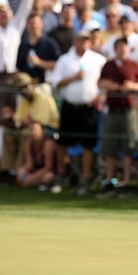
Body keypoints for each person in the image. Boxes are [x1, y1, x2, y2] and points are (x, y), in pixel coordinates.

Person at [50, 28, 107, 196]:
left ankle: (85, 178)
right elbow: (56, 83)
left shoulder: (98, 60)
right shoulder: (64, 60)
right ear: (75, 41)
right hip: (70, 106)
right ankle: (61, 175)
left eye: (86, 40)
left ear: (90, 42)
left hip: (88, 108)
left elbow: (105, 82)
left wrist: (101, 97)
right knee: (63, 142)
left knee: (87, 144)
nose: (82, 43)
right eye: (79, 40)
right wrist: (74, 78)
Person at [97, 37, 138, 198]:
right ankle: (109, 183)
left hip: (128, 111)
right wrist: (108, 86)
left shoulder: (134, 65)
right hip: (112, 111)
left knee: (128, 148)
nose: (122, 50)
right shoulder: (109, 65)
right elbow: (100, 82)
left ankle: (126, 184)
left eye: (124, 47)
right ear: (115, 48)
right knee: (110, 149)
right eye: (119, 47)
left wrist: (132, 86)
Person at [15, 121, 56, 189]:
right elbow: (29, 164)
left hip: (47, 171)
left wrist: (32, 177)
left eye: (36, 130)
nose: (34, 132)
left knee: (48, 178)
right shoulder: (28, 142)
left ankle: (32, 183)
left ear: (42, 131)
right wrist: (22, 171)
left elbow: (48, 167)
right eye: (31, 130)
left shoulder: (48, 144)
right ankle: (33, 183)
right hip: (36, 169)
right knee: (20, 173)